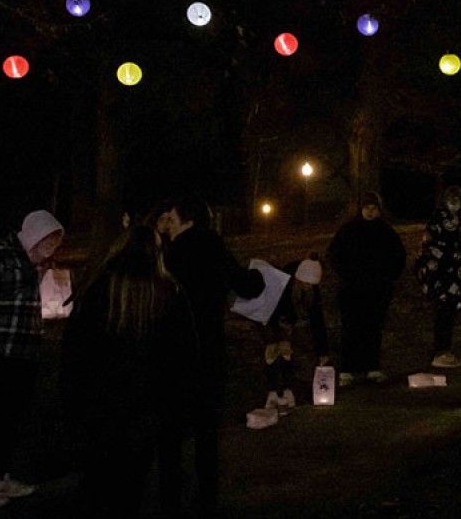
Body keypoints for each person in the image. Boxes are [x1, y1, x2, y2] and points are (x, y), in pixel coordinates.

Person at [62, 226, 197, 518]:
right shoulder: (169, 293)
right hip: (145, 410)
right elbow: (184, 356)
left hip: (102, 406)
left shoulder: (97, 290)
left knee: (97, 484)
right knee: (129, 488)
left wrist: (74, 402)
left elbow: (74, 352)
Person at [156, 196, 264, 516]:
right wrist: (258, 274)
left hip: (173, 350)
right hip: (209, 347)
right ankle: (206, 495)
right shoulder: (213, 246)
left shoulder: (169, 254)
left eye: (171, 215)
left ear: (184, 217)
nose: (167, 221)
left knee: (171, 430)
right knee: (206, 429)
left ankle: (170, 496)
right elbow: (245, 285)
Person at [0, 210, 64, 509]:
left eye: (54, 245)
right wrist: (29, 273)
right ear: (34, 236)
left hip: (21, 355)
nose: (50, 251)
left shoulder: (32, 265)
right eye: (47, 243)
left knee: (9, 420)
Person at [329, 192, 406, 385]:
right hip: (352, 289)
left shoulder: (386, 232)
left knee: (373, 328)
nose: (371, 212)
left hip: (378, 289)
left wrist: (389, 277)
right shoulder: (348, 231)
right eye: (367, 208)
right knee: (351, 328)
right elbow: (335, 255)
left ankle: (372, 366)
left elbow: (398, 256)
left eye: (374, 208)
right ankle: (348, 368)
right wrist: (347, 275)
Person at [258, 255, 331, 413]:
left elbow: (317, 320)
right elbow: (272, 313)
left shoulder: (311, 289)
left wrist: (322, 350)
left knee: (287, 354)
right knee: (272, 354)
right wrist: (277, 338)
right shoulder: (282, 285)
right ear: (299, 279)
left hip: (289, 322)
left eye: (311, 285)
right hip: (271, 321)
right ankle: (272, 392)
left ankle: (287, 390)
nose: (308, 287)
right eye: (305, 284)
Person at [415, 186, 461, 368]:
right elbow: (430, 245)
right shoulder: (437, 219)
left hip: (457, 274)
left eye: (457, 199)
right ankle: (440, 351)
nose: (454, 202)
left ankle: (445, 350)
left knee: (450, 313)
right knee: (442, 312)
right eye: (451, 199)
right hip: (440, 274)